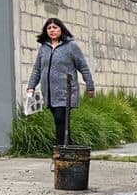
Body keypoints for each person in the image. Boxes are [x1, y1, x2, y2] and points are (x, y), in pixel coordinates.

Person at [27, 17, 95, 145]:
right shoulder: (44, 48)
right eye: (49, 28)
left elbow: (83, 67)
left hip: (66, 91)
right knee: (60, 122)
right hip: (49, 93)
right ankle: (68, 147)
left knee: (60, 119)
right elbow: (37, 69)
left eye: (55, 27)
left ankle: (60, 149)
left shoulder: (71, 46)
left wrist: (90, 87)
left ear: (61, 29)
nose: (52, 30)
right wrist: (31, 86)